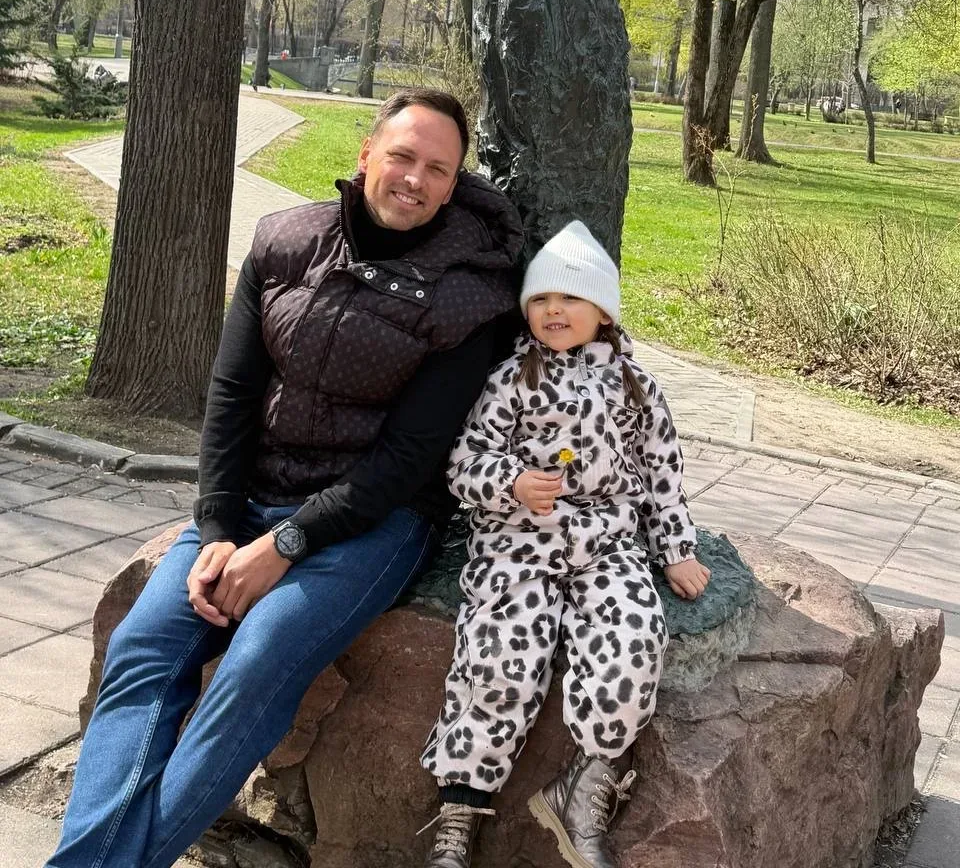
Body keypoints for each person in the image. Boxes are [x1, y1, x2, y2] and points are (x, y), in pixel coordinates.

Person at [47, 88, 523, 868]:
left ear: (453, 186)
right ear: (366, 155)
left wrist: (285, 546)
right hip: (250, 502)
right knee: (143, 647)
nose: (414, 179)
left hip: (375, 524)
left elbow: (406, 461)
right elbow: (232, 395)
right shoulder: (284, 240)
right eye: (402, 156)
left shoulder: (471, 298)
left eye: (437, 170)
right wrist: (218, 528)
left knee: (257, 663)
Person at [419, 220, 710, 868]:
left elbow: (663, 475)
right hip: (517, 544)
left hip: (608, 544)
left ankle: (584, 786)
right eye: (542, 299)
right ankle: (460, 809)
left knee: (634, 637)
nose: (554, 309)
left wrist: (675, 548)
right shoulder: (512, 380)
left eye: (571, 297)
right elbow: (465, 461)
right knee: (499, 655)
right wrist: (512, 482)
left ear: (603, 311)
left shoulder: (636, 387)